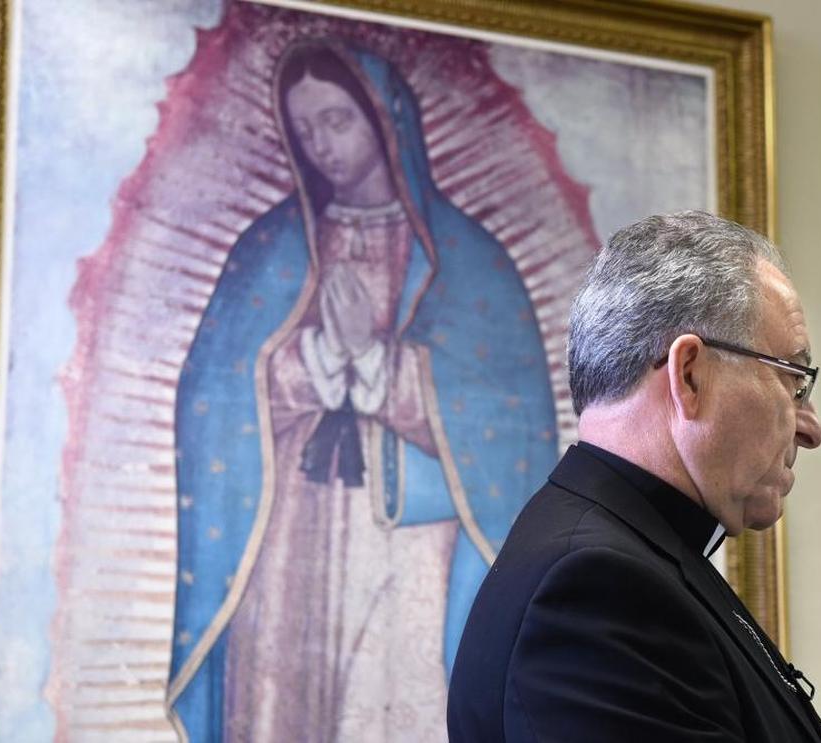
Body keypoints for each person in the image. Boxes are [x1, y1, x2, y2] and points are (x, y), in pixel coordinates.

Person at [167, 39, 557, 742]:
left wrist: (381, 367)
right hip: (289, 536)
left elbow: (510, 431)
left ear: (385, 119)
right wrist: (316, 358)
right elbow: (211, 403)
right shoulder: (270, 249)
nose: (323, 146)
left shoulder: (471, 263)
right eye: (306, 130)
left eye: (338, 121)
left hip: (410, 547)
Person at [448, 211, 821, 741]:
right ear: (689, 375)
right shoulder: (598, 591)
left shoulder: (635, 551)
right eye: (794, 380)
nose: (810, 429)